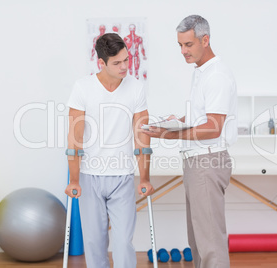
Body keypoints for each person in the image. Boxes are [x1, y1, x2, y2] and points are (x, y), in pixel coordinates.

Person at [143, 15, 237, 268]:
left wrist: (171, 134)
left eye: (188, 45)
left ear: (205, 40)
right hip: (196, 162)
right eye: (180, 45)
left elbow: (213, 127)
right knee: (197, 240)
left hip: (207, 161)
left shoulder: (216, 75)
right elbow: (201, 118)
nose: (183, 51)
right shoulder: (202, 72)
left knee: (210, 243)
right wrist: (173, 123)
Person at [65, 33, 155, 268]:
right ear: (101, 63)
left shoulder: (136, 88)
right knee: (95, 242)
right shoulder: (83, 88)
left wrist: (144, 177)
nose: (125, 66)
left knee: (123, 242)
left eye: (127, 60)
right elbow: (74, 139)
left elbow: (141, 136)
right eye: (117, 62)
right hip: (89, 176)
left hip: (122, 176)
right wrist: (74, 180)